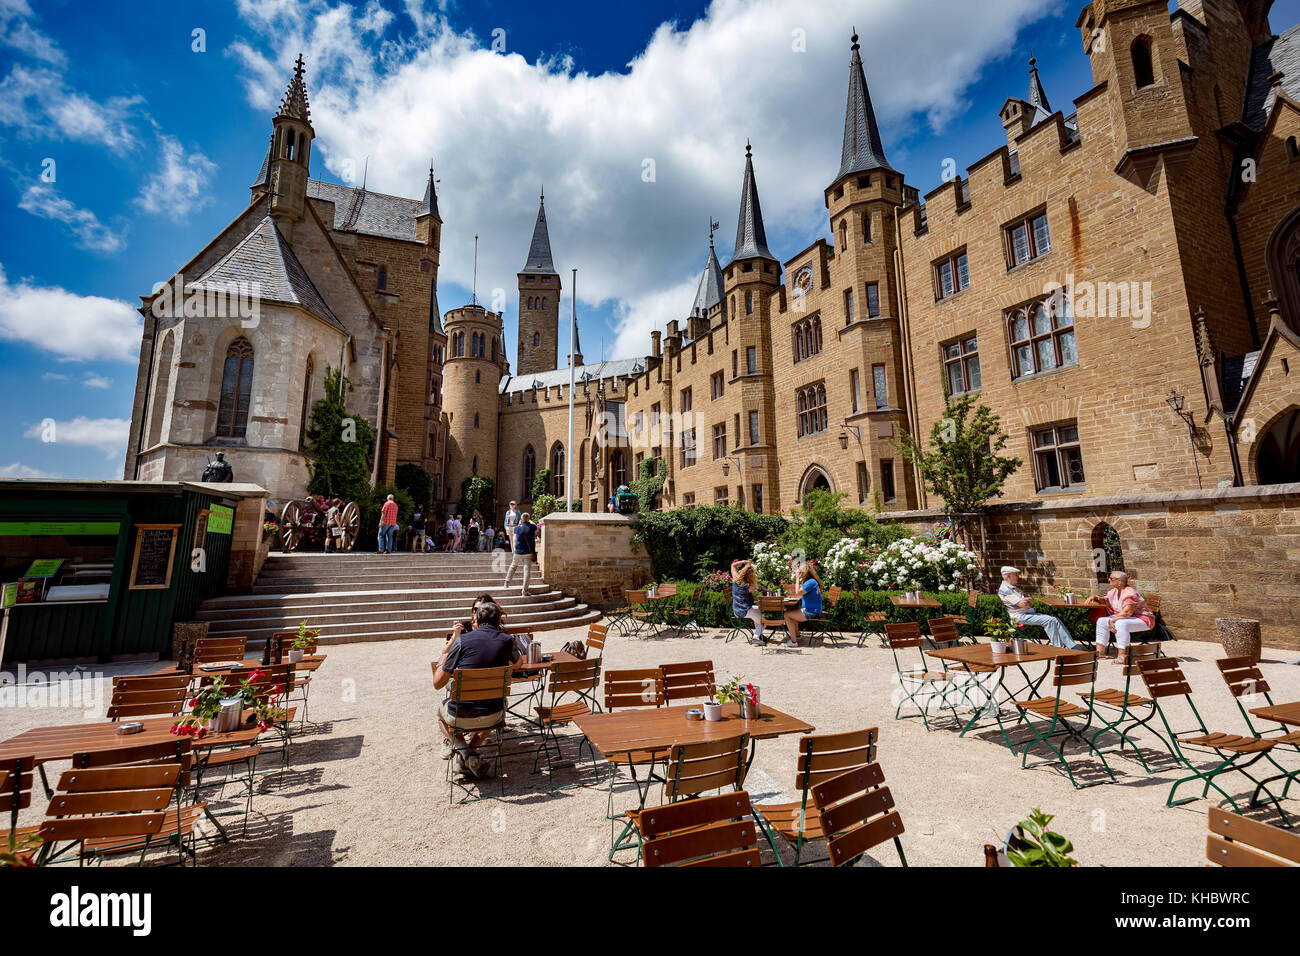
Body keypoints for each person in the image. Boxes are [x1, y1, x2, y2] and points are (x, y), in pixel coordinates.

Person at [432, 600, 520, 778]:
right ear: (499, 621)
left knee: (440, 714)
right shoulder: (507, 640)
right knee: (503, 701)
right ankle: (470, 752)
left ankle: (464, 752)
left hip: (461, 716)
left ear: (476, 621)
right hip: (495, 714)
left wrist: (443, 661)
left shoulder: (463, 641)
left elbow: (437, 683)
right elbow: (518, 663)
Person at [998, 566, 1080, 649]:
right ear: (1008, 576)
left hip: (1026, 613)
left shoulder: (1014, 588)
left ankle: (1073, 646)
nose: (1018, 577)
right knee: (1049, 620)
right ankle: (1057, 648)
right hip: (1019, 617)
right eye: (1015, 575)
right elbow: (1023, 604)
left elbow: (1030, 600)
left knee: (1055, 619)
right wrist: (1025, 600)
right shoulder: (1005, 589)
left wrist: (1026, 600)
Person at [1086, 571, 1154, 660]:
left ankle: (1123, 656)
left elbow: (1127, 612)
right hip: (1125, 617)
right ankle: (1100, 653)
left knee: (1121, 623)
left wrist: (1112, 620)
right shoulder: (1114, 591)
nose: (1109, 580)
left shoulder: (1129, 593)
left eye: (1111, 578)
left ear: (1120, 581)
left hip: (1142, 618)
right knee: (1102, 621)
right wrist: (1096, 598)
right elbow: (1106, 601)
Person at [782, 563, 821, 648]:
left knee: (787, 615)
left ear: (804, 573)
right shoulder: (811, 581)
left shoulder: (810, 582)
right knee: (791, 611)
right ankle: (797, 636)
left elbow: (797, 593)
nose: (798, 573)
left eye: (800, 572)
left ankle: (793, 641)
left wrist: (797, 578)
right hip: (813, 609)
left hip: (811, 611)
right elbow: (800, 594)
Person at [504, 511, 537, 595]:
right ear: (528, 519)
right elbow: (535, 525)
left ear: (521, 519)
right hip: (528, 552)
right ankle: (524, 591)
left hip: (518, 551)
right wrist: (528, 520)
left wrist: (520, 522)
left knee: (513, 567)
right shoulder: (532, 527)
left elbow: (515, 539)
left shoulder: (517, 528)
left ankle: (506, 583)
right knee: (527, 572)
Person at [730, 559, 763, 642]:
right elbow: (755, 593)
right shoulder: (750, 586)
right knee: (764, 621)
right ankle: (756, 637)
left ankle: (758, 634)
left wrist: (744, 562)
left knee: (758, 612)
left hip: (736, 610)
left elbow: (733, 565)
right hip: (746, 611)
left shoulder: (735, 579)